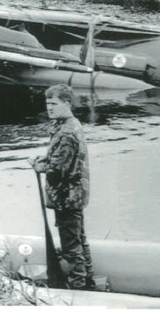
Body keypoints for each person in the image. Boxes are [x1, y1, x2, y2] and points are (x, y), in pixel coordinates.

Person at [29, 83, 93, 290]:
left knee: (71, 245)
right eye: (47, 103)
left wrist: (37, 165)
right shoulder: (71, 124)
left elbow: (58, 169)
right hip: (76, 194)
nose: (49, 108)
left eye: (54, 103)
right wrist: (46, 157)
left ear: (66, 103)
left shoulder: (65, 131)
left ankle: (78, 287)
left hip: (67, 197)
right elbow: (63, 157)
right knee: (79, 239)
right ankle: (88, 278)